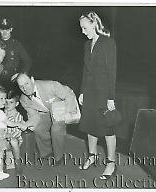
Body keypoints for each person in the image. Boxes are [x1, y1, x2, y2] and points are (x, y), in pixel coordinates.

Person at [78, 11, 117, 180]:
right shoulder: (87, 45)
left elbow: (112, 72)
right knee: (89, 124)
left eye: (85, 27)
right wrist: (82, 91)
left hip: (104, 93)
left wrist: (110, 97)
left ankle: (111, 163)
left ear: (94, 24)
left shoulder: (108, 43)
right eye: (81, 28)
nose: (83, 31)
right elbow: (86, 72)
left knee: (108, 127)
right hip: (89, 92)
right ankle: (92, 157)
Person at [16, 73, 77, 166]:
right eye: (21, 86)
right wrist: (26, 124)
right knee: (38, 128)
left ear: (32, 80)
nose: (25, 88)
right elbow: (34, 117)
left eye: (27, 83)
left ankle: (58, 156)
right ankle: (47, 152)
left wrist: (69, 112)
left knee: (56, 129)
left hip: (61, 110)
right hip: (46, 113)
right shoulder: (23, 99)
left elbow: (69, 93)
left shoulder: (50, 85)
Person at [0, 86, 26, 180]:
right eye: (5, 102)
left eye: (11, 102)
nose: (7, 104)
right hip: (1, 138)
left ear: (16, 104)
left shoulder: (18, 116)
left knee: (14, 141)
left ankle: (18, 163)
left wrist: (9, 134)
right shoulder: (0, 112)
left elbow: (18, 130)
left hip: (13, 138)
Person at [0, 17, 32, 91]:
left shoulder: (16, 44)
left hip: (12, 80)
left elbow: (27, 61)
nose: (5, 32)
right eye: (2, 29)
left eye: (7, 29)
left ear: (11, 29)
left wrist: (21, 74)